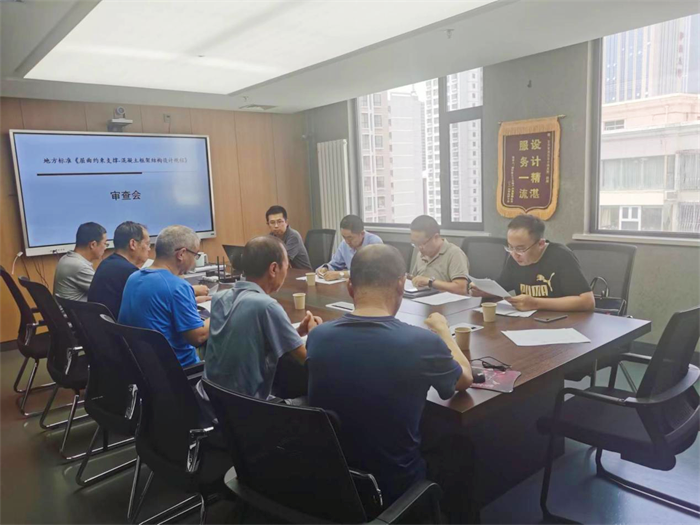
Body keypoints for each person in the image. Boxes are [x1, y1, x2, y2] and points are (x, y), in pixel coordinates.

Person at [307, 244, 473, 519]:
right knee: (461, 448)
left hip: (334, 481)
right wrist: (444, 332)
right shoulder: (421, 342)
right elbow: (464, 379)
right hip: (394, 486)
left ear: (350, 287)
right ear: (401, 284)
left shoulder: (318, 336)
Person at [203, 236, 321, 401]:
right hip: (247, 406)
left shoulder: (219, 298)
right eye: (287, 266)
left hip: (211, 399)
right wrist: (315, 333)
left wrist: (296, 332)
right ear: (274, 269)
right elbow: (309, 363)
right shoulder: (267, 306)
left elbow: (246, 336)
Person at [119, 225, 211, 368]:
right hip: (182, 371)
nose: (195, 260)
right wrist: (221, 312)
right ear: (181, 254)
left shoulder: (134, 278)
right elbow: (198, 337)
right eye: (195, 255)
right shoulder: (178, 286)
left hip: (144, 369)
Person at [470, 214, 595, 311]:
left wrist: (536, 303)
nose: (514, 254)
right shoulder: (514, 258)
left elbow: (588, 302)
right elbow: (501, 289)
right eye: (510, 247)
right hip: (527, 322)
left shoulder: (561, 256)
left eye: (520, 249)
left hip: (561, 322)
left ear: (540, 244)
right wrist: (483, 290)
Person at [88, 221, 150, 317]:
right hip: (117, 325)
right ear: (133, 244)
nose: (149, 249)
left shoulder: (106, 263)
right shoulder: (130, 272)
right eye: (147, 244)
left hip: (98, 324)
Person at [409, 215, 470, 295]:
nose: (419, 248)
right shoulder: (421, 254)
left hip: (447, 301)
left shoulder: (454, 254)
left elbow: (461, 288)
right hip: (422, 298)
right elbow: (415, 278)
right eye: (415, 244)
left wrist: (430, 282)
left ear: (436, 237)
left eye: (422, 243)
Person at [316, 214, 383, 281]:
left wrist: (341, 274)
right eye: (344, 237)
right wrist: (325, 268)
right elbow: (335, 264)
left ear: (362, 234)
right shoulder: (344, 244)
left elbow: (372, 272)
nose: (347, 241)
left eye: (350, 237)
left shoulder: (374, 243)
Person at [53, 222, 107, 301]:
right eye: (105, 243)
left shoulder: (66, 258)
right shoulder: (79, 266)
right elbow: (105, 292)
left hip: (66, 308)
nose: (105, 247)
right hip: (75, 309)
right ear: (93, 244)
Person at [266, 205, 312, 270]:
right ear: (268, 224)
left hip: (302, 273)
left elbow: (284, 260)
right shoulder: (271, 237)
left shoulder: (293, 236)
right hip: (284, 272)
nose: (276, 226)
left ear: (286, 222)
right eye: (272, 222)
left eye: (279, 222)